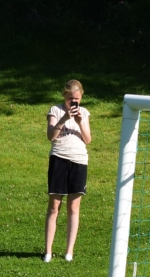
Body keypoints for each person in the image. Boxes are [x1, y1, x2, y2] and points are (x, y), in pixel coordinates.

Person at [44, 79, 92, 262]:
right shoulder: (55, 111)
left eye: (77, 99)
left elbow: (88, 139)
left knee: (74, 207)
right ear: (64, 96)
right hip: (59, 159)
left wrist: (80, 122)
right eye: (70, 98)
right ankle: (48, 251)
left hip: (79, 160)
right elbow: (51, 136)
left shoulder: (84, 113)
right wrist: (64, 118)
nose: (74, 102)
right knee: (54, 206)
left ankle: (69, 252)